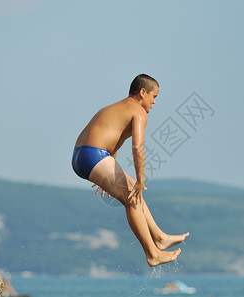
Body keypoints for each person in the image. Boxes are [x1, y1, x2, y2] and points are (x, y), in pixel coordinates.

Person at [72, 74, 189, 267]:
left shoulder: (114, 108)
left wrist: (106, 173)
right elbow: (137, 148)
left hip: (82, 156)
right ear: (143, 92)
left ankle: (159, 238)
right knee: (132, 196)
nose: (154, 102)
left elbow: (112, 141)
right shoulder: (138, 111)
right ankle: (152, 253)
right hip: (94, 155)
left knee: (132, 191)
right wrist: (141, 179)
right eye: (154, 97)